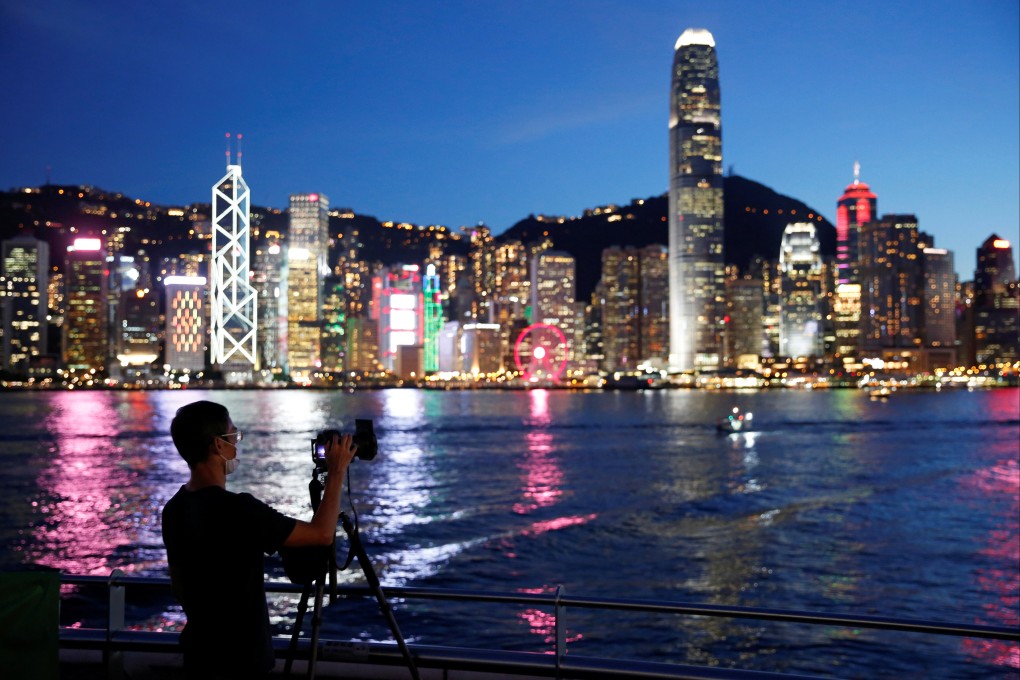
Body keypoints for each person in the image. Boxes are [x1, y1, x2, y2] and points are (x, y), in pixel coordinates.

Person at [161, 400, 357, 679]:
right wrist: (336, 472)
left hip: (198, 652)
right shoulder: (239, 509)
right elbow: (322, 534)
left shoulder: (174, 509)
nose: (236, 444)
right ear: (218, 445)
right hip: (241, 657)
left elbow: (180, 586)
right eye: (233, 435)